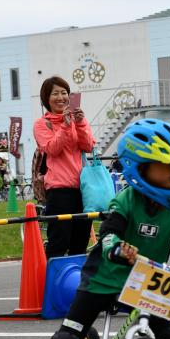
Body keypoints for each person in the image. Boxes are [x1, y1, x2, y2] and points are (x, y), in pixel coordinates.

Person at [12, 119, 170, 339]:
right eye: (166, 164)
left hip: (147, 278)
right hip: (104, 276)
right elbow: (108, 234)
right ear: (140, 167)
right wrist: (116, 248)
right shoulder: (126, 200)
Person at [34, 76, 96, 258]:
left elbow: (88, 146)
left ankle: (75, 284)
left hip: (83, 188)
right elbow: (52, 148)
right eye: (55, 94)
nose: (61, 97)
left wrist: (81, 123)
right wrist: (65, 127)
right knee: (58, 243)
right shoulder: (41, 124)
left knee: (80, 242)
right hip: (59, 190)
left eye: (64, 93)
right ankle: (53, 284)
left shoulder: (77, 120)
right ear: (47, 98)